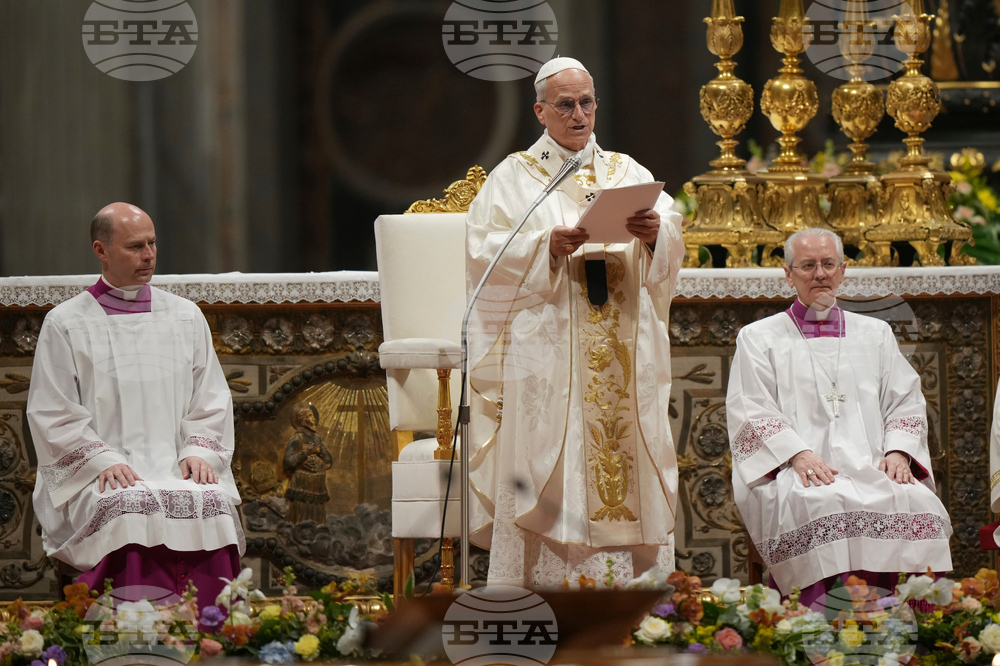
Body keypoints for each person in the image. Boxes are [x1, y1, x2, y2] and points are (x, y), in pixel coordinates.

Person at [465, 57, 684, 587]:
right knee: (552, 458)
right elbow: (481, 253)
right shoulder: (513, 178)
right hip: (550, 349)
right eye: (565, 105)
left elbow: (672, 237)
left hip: (623, 343)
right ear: (540, 111)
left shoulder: (628, 172)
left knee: (625, 451)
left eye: (586, 102)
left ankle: (633, 594)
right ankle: (545, 587)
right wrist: (545, 246)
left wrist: (656, 234)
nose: (579, 114)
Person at [27, 203, 243, 608]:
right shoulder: (66, 322)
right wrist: (100, 461)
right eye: (135, 246)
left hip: (176, 464)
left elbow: (211, 396)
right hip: (101, 473)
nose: (148, 255)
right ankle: (126, 627)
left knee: (211, 502)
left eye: (152, 243)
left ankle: (213, 624)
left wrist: (199, 450)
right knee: (127, 507)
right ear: (101, 250)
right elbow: (53, 411)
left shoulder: (184, 316)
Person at [727, 228, 952, 605]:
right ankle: (820, 626)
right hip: (800, 468)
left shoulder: (875, 333)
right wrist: (797, 454)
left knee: (917, 501)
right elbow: (751, 408)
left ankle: (912, 625)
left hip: (874, 464)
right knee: (824, 502)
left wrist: (899, 452)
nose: (820, 274)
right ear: (788, 274)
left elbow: (905, 400)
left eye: (828, 264)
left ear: (843, 271)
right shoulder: (759, 337)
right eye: (807, 266)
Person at [283, 402, 333, 524]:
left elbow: (329, 461)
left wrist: (320, 451)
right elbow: (288, 462)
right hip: (302, 484)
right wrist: (304, 453)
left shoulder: (317, 439)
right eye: (310, 416)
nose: (313, 419)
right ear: (302, 420)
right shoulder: (297, 439)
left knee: (317, 514)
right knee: (301, 513)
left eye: (313, 416)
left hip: (317, 484)